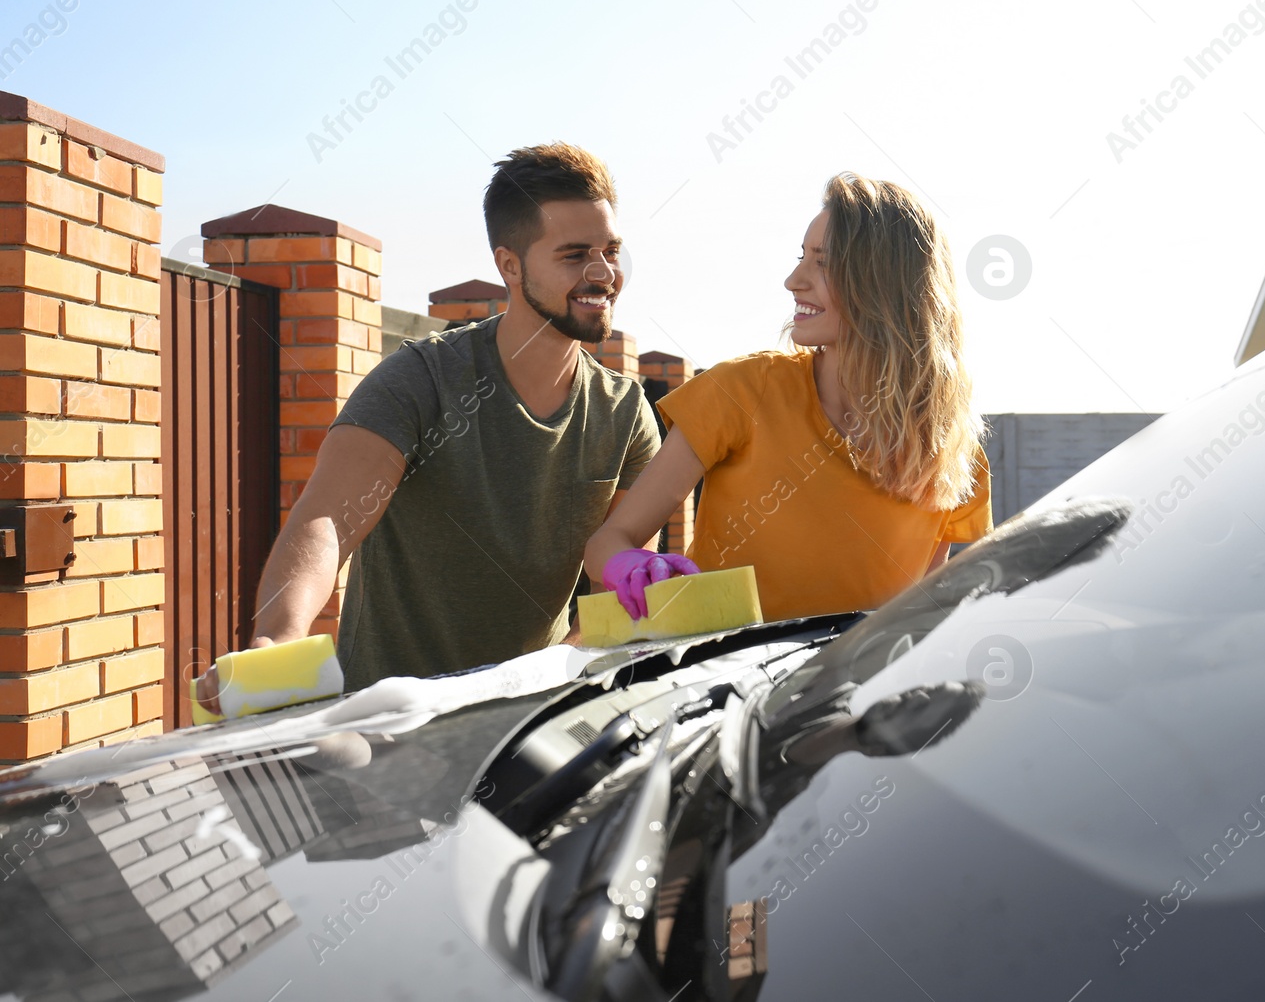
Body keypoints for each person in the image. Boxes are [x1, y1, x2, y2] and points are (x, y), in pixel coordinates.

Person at [205, 142, 661, 699]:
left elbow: (615, 581)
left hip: (521, 722)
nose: (602, 272)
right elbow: (327, 519)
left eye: (610, 251)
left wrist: (552, 677)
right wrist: (278, 639)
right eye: (573, 255)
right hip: (389, 721)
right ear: (510, 266)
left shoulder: (626, 411)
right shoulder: (420, 379)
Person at [585, 172, 991, 623]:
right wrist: (630, 565)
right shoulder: (743, 390)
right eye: (802, 257)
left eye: (823, 262)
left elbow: (915, 619)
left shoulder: (952, 451)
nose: (793, 280)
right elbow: (607, 543)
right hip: (720, 687)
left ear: (886, 283)